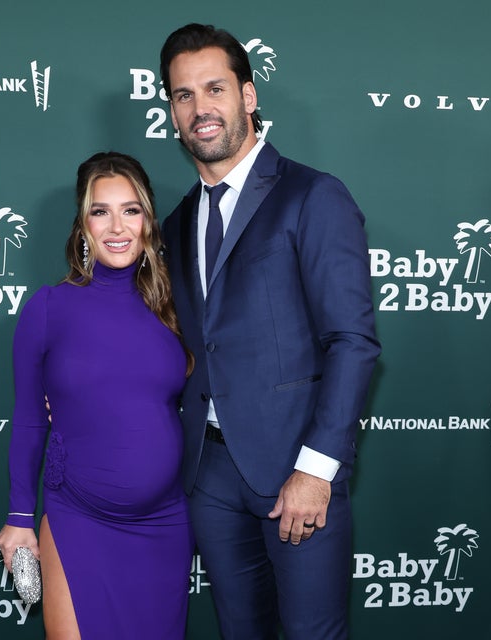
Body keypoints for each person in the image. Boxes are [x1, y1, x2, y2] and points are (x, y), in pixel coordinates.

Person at [159, 23, 381, 639]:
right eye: (183, 95)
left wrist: (317, 469)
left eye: (215, 89)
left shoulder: (313, 196)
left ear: (248, 96)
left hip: (296, 469)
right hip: (209, 477)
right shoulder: (175, 224)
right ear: (173, 113)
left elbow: (353, 342)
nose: (201, 109)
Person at [0, 151, 194, 639]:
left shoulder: (177, 308)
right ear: (82, 225)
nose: (117, 227)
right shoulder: (48, 308)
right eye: (100, 211)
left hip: (163, 525)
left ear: (148, 219)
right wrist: (19, 516)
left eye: (131, 210)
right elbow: (29, 418)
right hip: (78, 518)